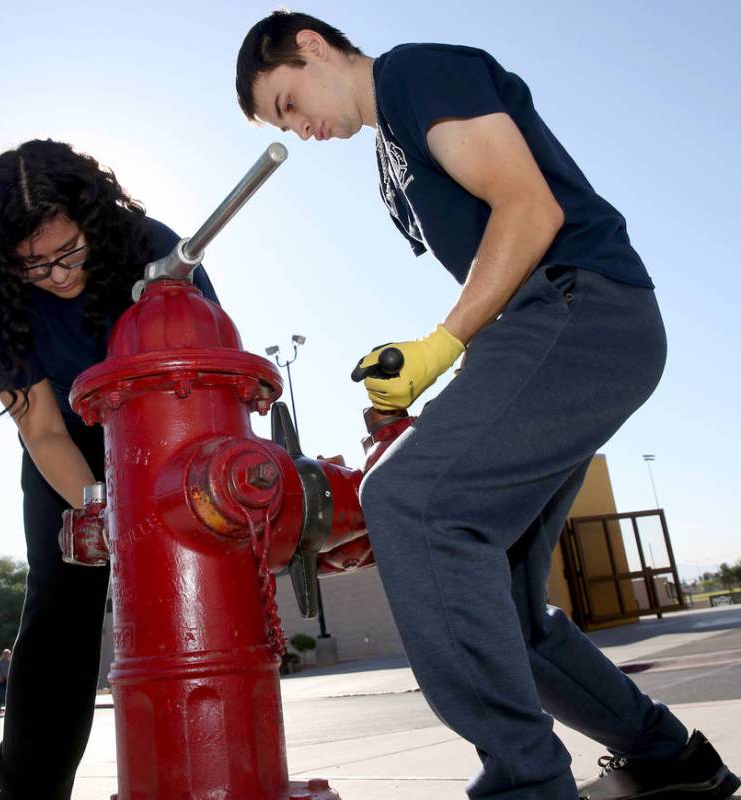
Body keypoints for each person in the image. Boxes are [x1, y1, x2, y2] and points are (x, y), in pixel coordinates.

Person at [235, 12, 739, 800]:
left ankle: (525, 785)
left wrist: (441, 347)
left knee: (409, 504)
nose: (301, 130)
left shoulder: (413, 73)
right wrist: (418, 370)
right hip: (549, 333)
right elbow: (489, 269)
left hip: (582, 308)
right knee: (496, 600)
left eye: (289, 103)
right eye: (283, 125)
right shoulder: (389, 159)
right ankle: (670, 760)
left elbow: (530, 212)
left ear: (311, 46)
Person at [0, 139, 218, 799]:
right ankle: (26, 790)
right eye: (34, 266)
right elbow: (39, 428)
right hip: (67, 448)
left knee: (199, 591)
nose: (59, 275)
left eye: (69, 252)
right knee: (60, 609)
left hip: (168, 432)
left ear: (90, 220)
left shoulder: (149, 247)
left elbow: (208, 378)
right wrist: (106, 511)